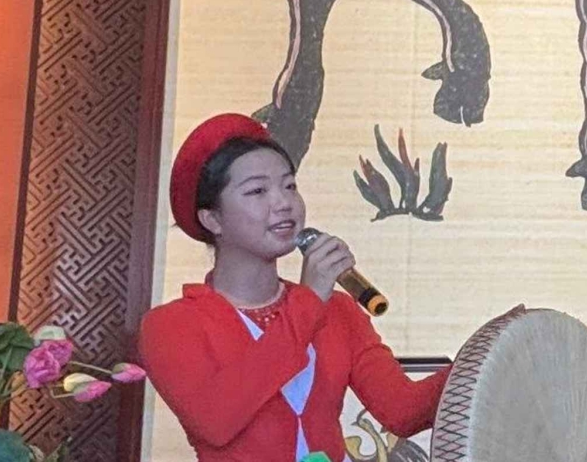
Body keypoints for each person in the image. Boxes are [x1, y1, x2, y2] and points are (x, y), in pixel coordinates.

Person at [140, 113, 448, 461]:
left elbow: (403, 411)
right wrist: (310, 299)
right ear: (212, 219)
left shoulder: (338, 311)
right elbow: (215, 422)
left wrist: (481, 357)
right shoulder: (171, 324)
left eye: (289, 186)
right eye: (258, 191)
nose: (283, 202)